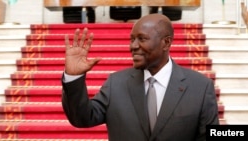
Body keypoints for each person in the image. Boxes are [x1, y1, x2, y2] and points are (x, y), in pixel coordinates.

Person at [61, 13, 219, 141]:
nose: (133, 46)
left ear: (166, 43)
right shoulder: (116, 83)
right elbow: (82, 118)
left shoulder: (201, 87)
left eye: (142, 39)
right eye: (132, 40)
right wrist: (73, 78)